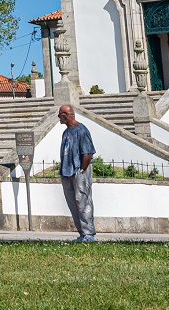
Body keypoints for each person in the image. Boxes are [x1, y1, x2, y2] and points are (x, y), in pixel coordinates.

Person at [57, 103, 97, 242]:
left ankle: (89, 233)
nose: (58, 117)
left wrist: (81, 170)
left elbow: (87, 153)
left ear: (65, 116)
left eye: (60, 114)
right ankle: (81, 233)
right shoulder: (66, 132)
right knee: (73, 204)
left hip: (79, 171)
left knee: (83, 201)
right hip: (67, 172)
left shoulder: (82, 130)